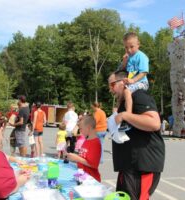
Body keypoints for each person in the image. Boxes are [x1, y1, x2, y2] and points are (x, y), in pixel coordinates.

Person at [108, 71, 165, 200]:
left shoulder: (138, 95)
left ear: (123, 81)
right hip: (128, 165)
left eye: (112, 85)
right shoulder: (125, 102)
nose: (110, 90)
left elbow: (154, 123)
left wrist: (125, 115)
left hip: (141, 166)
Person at [119, 32, 149, 131]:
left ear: (138, 44)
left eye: (131, 47)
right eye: (126, 47)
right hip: (131, 82)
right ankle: (118, 114)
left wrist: (132, 80)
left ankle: (128, 119)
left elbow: (143, 72)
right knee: (120, 94)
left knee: (127, 91)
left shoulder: (141, 56)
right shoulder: (128, 57)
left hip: (141, 82)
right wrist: (124, 62)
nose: (129, 50)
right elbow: (121, 70)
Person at [67, 115, 101, 182]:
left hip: (91, 180)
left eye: (81, 129)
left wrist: (77, 158)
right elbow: (84, 157)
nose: (80, 131)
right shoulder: (87, 140)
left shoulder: (95, 143)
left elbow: (94, 164)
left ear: (88, 128)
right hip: (83, 177)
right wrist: (74, 157)